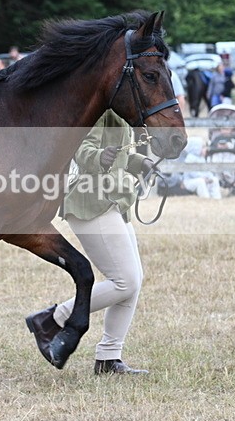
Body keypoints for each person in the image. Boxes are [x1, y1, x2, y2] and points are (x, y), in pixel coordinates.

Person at [25, 110, 156, 375]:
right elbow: (81, 149)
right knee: (125, 281)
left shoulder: (118, 110)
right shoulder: (102, 109)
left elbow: (117, 153)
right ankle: (52, 320)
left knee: (132, 282)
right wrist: (98, 156)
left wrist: (138, 162)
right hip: (91, 201)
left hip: (113, 200)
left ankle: (109, 357)